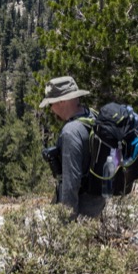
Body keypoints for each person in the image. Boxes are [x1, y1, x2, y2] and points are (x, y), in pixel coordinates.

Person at [39, 76, 105, 220]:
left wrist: (66, 226)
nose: (51, 109)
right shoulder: (92, 115)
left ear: (62, 101)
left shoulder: (70, 132)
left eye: (51, 103)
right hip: (97, 203)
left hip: (82, 211)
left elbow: (71, 184)